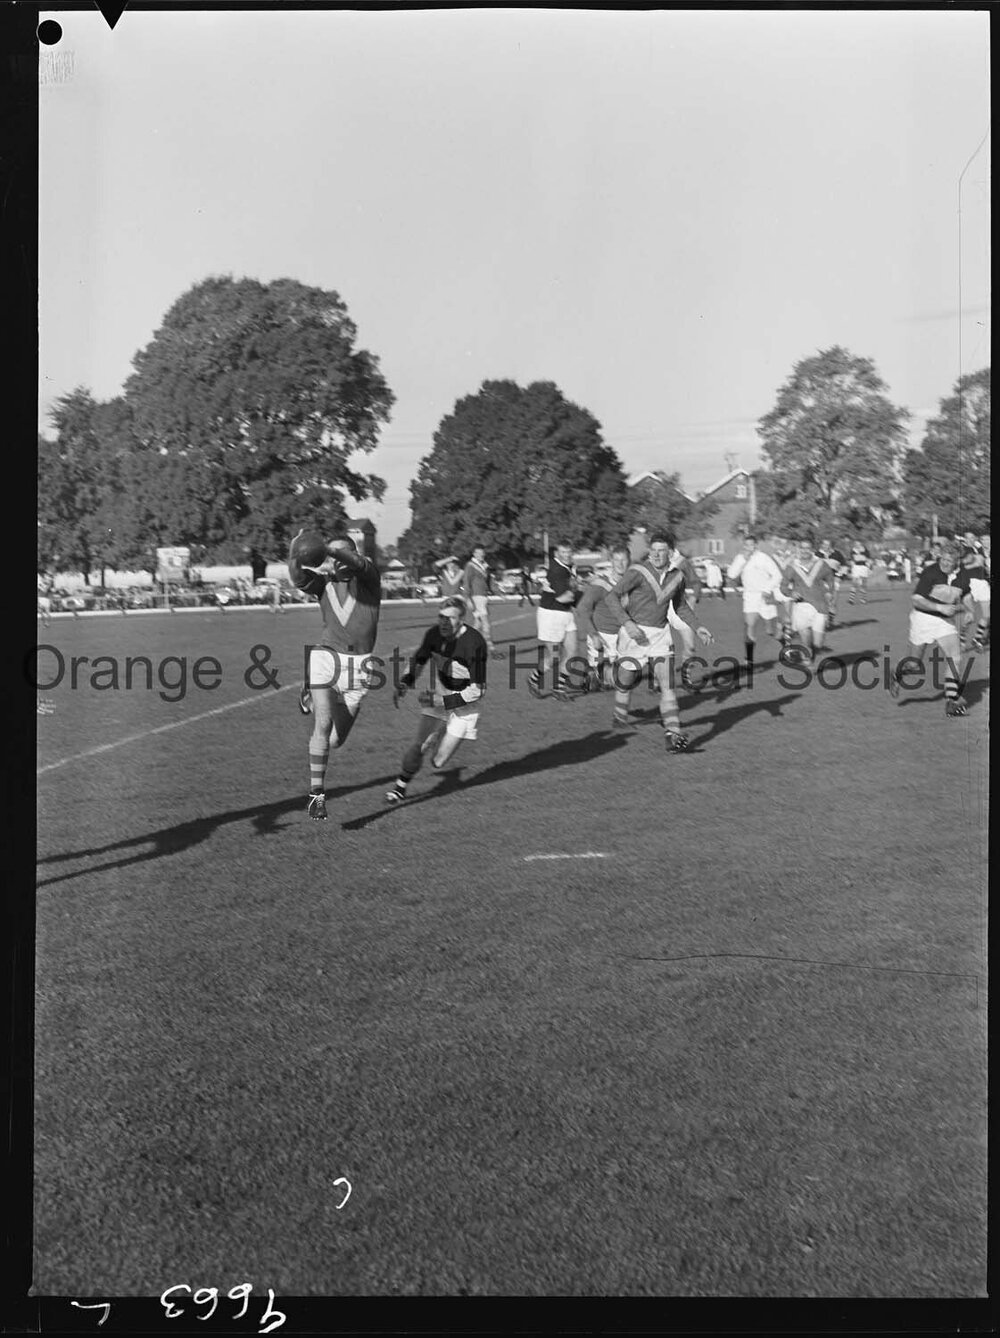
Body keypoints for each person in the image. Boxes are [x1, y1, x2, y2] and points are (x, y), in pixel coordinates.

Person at [289, 529, 382, 822]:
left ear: (355, 554)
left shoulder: (369, 579)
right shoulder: (323, 584)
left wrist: (329, 549)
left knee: (334, 740)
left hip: (360, 668)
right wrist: (294, 551)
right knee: (323, 723)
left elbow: (358, 563)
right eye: (332, 555)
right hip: (326, 657)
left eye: (343, 553)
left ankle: (309, 698)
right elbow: (297, 577)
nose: (336, 559)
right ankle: (316, 796)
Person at [602, 531, 712, 751]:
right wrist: (627, 623)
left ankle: (672, 735)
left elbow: (680, 606)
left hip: (661, 635)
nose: (656, 554)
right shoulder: (638, 571)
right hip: (634, 634)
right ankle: (617, 710)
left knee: (667, 685)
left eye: (661, 551)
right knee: (624, 680)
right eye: (653, 550)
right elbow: (611, 596)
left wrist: (698, 626)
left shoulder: (677, 576)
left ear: (671, 553)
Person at [385, 597, 487, 804]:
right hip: (440, 694)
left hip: (465, 704)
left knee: (437, 761)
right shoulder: (433, 634)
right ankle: (399, 788)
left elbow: (478, 690)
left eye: (451, 618)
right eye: (441, 617)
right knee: (419, 746)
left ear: (461, 619)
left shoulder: (474, 642)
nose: (444, 622)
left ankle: (440, 734)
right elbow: (419, 660)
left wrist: (444, 702)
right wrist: (405, 682)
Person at [889, 541, 975, 716]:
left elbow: (965, 594)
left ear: (957, 561)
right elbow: (916, 600)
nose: (945, 563)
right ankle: (896, 673)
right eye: (943, 559)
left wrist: (970, 610)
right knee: (914, 664)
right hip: (923, 619)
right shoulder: (931, 572)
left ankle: (951, 702)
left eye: (949, 561)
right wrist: (939, 607)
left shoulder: (964, 575)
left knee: (955, 657)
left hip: (945, 622)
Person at [528, 540, 583, 700]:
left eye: (569, 552)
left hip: (566, 613)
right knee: (554, 657)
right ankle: (533, 679)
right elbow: (563, 597)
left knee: (573, 652)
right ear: (557, 554)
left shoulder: (568, 567)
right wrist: (583, 595)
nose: (567, 555)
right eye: (563, 552)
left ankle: (558, 689)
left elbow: (571, 593)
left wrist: (577, 591)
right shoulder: (558, 570)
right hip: (551, 615)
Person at [726, 536, 790, 673]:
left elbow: (777, 576)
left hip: (765, 597)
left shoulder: (763, 558)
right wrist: (743, 560)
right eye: (746, 545)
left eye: (751, 545)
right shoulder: (740, 558)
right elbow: (731, 574)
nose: (749, 547)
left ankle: (785, 643)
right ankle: (749, 661)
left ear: (756, 545)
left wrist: (767, 590)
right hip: (750, 597)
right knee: (749, 626)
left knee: (771, 632)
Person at [575, 545, 631, 690]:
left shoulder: (632, 584)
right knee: (595, 685)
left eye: (623, 560)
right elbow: (582, 608)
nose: (620, 564)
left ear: (629, 561)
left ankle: (603, 673)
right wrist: (594, 635)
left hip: (621, 636)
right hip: (601, 635)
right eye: (616, 560)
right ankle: (593, 673)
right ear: (611, 562)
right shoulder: (601, 584)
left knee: (619, 680)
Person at [780, 540, 835, 661]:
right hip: (801, 606)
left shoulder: (821, 564)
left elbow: (830, 579)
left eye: (808, 548)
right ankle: (808, 660)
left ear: (812, 550)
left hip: (820, 606)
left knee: (818, 644)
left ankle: (811, 653)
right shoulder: (792, 566)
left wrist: (830, 592)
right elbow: (783, 586)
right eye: (802, 548)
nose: (805, 551)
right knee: (805, 637)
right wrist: (791, 593)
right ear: (799, 549)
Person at [463, 545, 501, 658]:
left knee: (478, 623)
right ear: (474, 554)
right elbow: (466, 582)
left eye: (482, 553)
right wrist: (467, 598)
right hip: (476, 596)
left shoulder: (485, 565)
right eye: (478, 553)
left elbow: (489, 581)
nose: (481, 555)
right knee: (485, 621)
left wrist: (498, 592)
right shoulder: (470, 565)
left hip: (483, 596)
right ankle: (491, 648)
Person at [959, 542, 990, 650]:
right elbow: (976, 562)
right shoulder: (965, 558)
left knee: (987, 615)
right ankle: (962, 638)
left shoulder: (980, 554)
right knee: (970, 616)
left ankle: (977, 638)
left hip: (982, 585)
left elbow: (980, 562)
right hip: (969, 585)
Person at [848, 540, 871, 604]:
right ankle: (851, 599)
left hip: (864, 567)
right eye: (856, 544)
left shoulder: (866, 551)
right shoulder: (853, 550)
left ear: (861, 544)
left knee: (863, 584)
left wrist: (869, 568)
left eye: (859, 544)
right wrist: (851, 568)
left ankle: (863, 599)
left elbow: (868, 560)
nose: (857, 545)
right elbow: (852, 559)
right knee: (854, 582)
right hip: (856, 567)